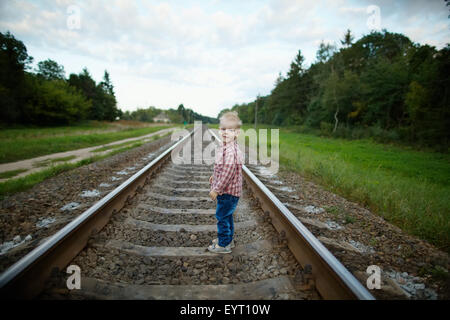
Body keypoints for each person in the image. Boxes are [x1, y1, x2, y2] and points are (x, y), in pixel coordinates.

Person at [208, 111, 243, 254]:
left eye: (230, 130)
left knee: (222, 217)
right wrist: (213, 175)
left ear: (237, 133)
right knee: (227, 216)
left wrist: (216, 189)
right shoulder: (226, 147)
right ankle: (228, 240)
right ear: (219, 129)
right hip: (230, 192)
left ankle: (223, 245)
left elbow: (227, 174)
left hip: (227, 192)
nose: (226, 132)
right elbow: (222, 168)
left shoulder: (230, 152)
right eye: (223, 129)